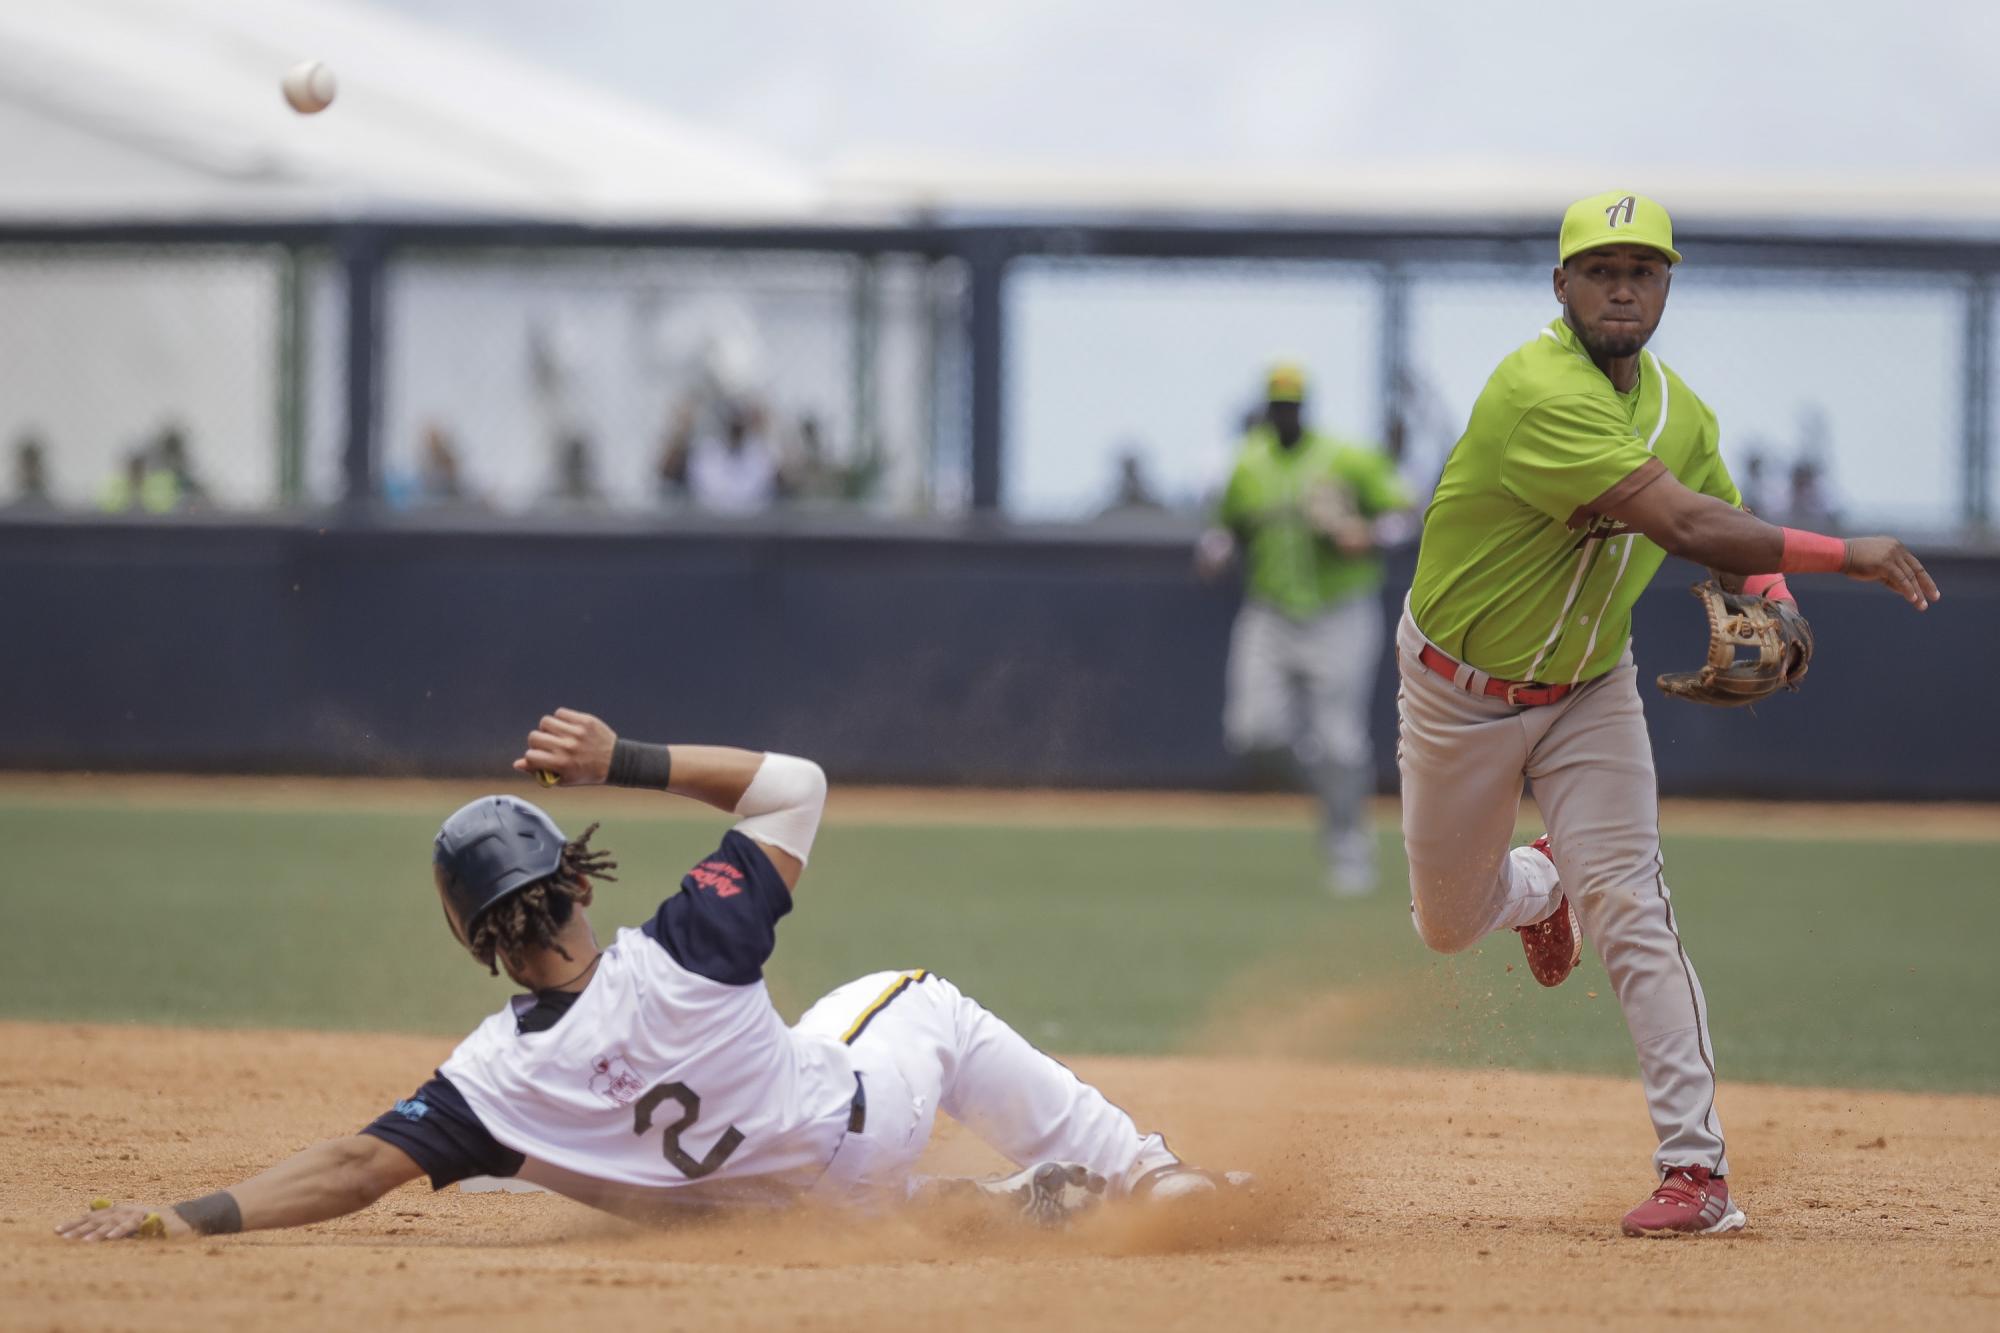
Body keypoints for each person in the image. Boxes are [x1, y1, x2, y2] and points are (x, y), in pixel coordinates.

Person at [59, 709, 1241, 1243]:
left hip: (766, 1221)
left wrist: (186, 1214)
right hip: (854, 1135)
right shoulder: (685, 948)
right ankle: (1149, 1173)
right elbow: (798, 786)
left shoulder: (491, 1086)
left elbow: (356, 1167)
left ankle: (991, 1212)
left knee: (531, 1179)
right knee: (912, 994)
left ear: (473, 937)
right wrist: (621, 756)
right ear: (575, 881)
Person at [1397, 191, 1938, 1237]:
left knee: (1633, 907)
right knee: (1445, 923)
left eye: (1641, 270)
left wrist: (1770, 602)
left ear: (1664, 289)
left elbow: (1722, 524)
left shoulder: (1679, 410)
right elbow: (1680, 518)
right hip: (1457, 694)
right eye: (1598, 269)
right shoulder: (1532, 390)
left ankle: (1695, 1173)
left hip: (1589, 691)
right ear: (1560, 288)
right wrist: (1843, 555)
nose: (1619, 286)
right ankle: (1537, 883)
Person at [1196, 363, 1413, 896]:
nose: (1284, 413)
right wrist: (1216, 549)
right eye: (1277, 404)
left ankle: (1348, 848)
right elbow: (1225, 528)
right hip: (1270, 613)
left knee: (1341, 741)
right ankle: (1324, 776)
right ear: (1266, 409)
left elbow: (1405, 512)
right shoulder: (1246, 464)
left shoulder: (1345, 457)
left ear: (1304, 407)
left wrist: (1369, 532)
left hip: (1339, 610)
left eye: (1292, 405)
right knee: (1252, 733)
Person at [5, 433, 55, 513]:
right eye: (27, 463)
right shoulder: (6, 516)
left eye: (33, 463)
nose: (31, 470)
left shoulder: (57, 516)